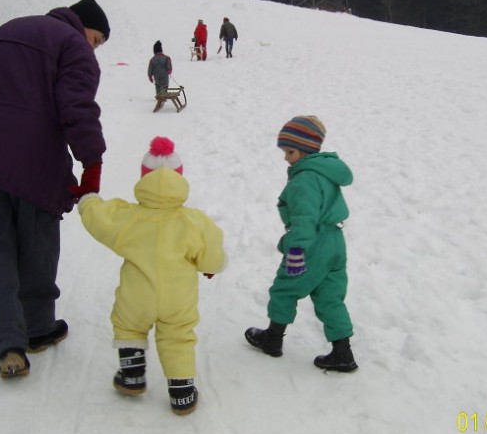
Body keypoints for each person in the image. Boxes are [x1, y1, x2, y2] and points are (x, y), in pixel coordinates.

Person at [0, 0, 110, 378]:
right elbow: (76, 105)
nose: (94, 48)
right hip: (31, 160)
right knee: (38, 239)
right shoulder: (73, 47)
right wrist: (92, 161)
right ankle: (38, 329)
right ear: (84, 27)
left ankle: (8, 345)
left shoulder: (1, 33)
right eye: (97, 39)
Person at [76, 136, 226, 415]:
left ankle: (132, 377)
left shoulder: (128, 217)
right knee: (178, 335)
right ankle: (181, 392)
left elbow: (100, 218)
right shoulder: (194, 221)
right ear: (179, 179)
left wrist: (88, 201)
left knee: (129, 327)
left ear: (144, 179)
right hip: (178, 297)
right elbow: (213, 251)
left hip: (137, 294)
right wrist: (209, 266)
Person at [245, 116, 358, 373]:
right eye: (284, 152)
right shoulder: (326, 171)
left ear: (307, 149)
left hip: (311, 243)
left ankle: (272, 339)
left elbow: (304, 219)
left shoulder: (305, 179)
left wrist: (296, 250)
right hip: (335, 241)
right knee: (330, 297)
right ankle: (343, 353)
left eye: (290, 151)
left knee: (285, 289)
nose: (286, 157)